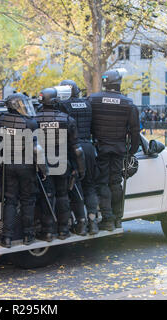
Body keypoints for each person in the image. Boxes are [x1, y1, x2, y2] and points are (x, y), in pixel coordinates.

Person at [0, 93, 48, 247]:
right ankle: (28, 236)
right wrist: (44, 170)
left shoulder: (1, 120)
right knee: (27, 201)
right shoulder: (30, 123)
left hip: (7, 166)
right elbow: (36, 149)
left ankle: (6, 238)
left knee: (10, 201)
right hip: (26, 166)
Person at [88, 68, 140, 231]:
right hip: (118, 149)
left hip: (100, 148)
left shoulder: (93, 100)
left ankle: (108, 219)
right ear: (118, 83)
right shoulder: (128, 103)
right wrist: (132, 151)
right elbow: (135, 131)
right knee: (115, 183)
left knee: (102, 182)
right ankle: (117, 218)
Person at [34, 87, 86, 241]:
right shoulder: (67, 119)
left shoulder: (34, 119)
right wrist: (80, 169)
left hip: (43, 164)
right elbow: (77, 149)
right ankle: (64, 230)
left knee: (47, 196)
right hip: (63, 163)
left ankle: (48, 231)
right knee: (62, 195)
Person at [57, 79, 99, 235]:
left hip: (73, 149)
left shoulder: (63, 106)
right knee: (90, 186)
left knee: (76, 187)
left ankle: (81, 224)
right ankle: (93, 222)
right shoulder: (88, 104)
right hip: (88, 148)